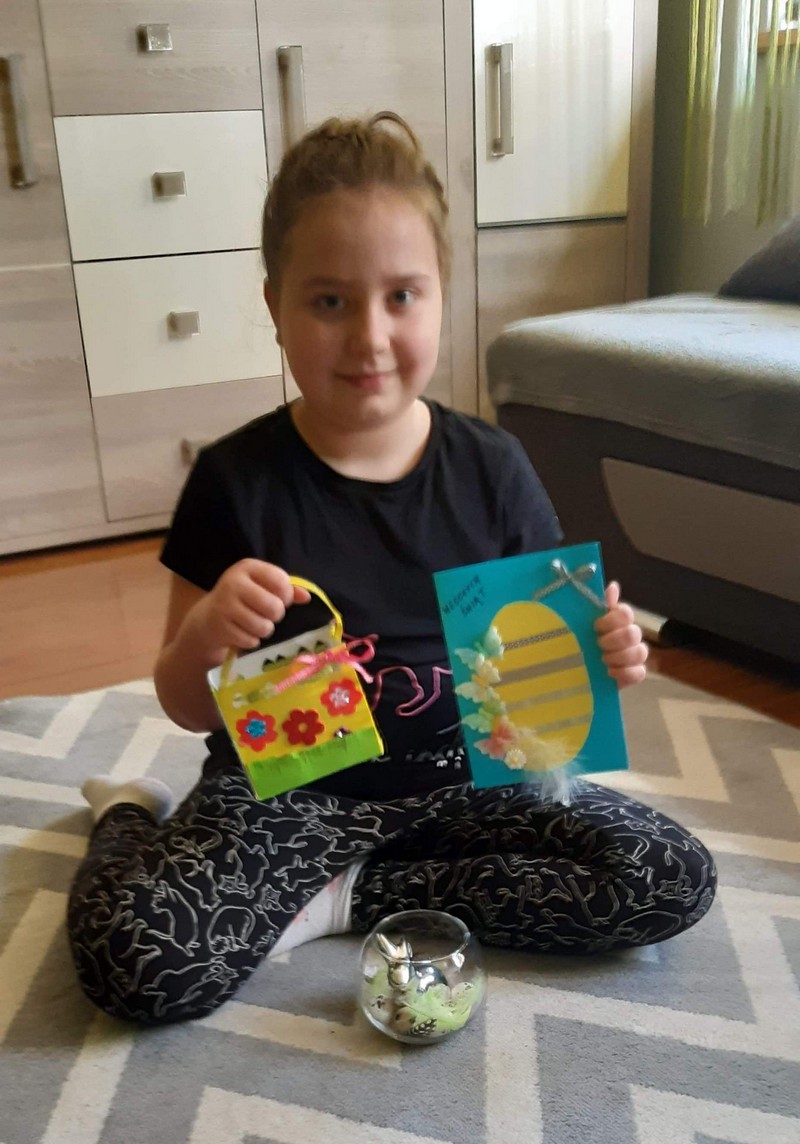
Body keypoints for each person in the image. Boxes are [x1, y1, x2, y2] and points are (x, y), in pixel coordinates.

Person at [67, 114, 716, 1026]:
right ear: (274, 306)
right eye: (329, 301)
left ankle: (345, 898)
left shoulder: (494, 469)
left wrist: (599, 658)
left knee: (669, 874)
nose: (370, 336)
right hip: (288, 795)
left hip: (464, 790)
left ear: (442, 293)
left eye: (402, 296)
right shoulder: (235, 482)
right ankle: (131, 813)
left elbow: (542, 689)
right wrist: (208, 635)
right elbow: (183, 703)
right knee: (136, 959)